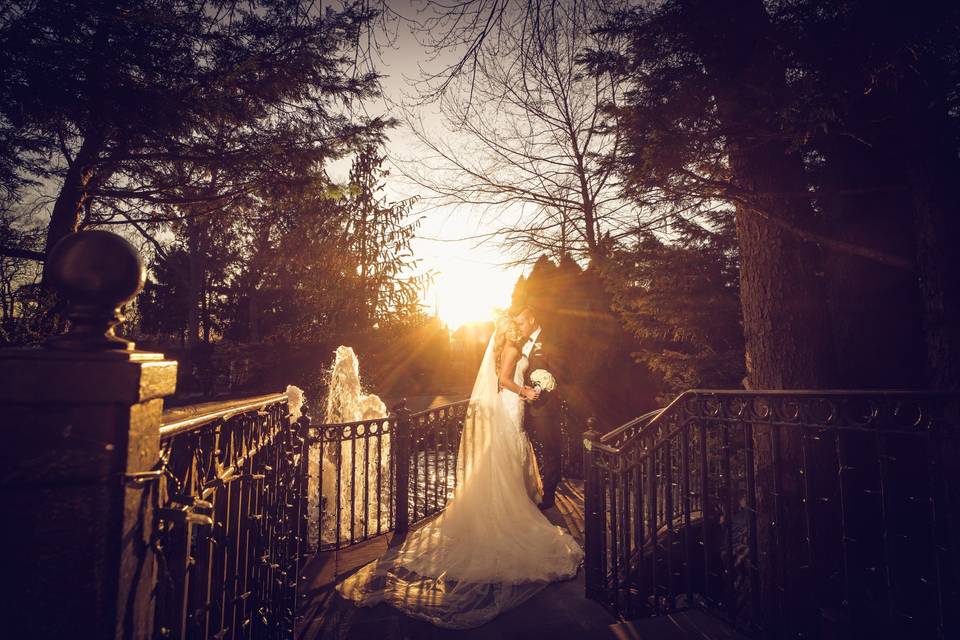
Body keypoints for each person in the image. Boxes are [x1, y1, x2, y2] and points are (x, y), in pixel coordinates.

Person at [335, 307, 583, 629]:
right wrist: (526, 391)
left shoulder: (513, 347)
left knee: (507, 461)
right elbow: (506, 380)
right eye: (515, 326)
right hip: (510, 407)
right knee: (505, 459)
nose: (519, 329)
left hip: (513, 409)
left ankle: (504, 507)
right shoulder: (510, 348)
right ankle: (503, 515)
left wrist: (528, 390)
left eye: (521, 325)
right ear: (509, 329)